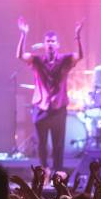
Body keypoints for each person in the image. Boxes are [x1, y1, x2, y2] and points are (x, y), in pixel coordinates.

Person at [16, 16, 84, 172]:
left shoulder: (65, 60)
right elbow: (20, 55)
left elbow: (79, 56)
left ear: (58, 44)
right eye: (48, 41)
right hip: (41, 108)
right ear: (44, 45)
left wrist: (77, 36)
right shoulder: (37, 61)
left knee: (58, 144)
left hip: (59, 109)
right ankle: (44, 172)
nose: (50, 44)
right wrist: (23, 35)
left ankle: (58, 173)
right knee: (41, 144)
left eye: (53, 41)